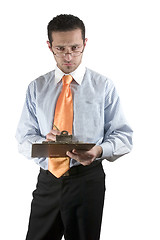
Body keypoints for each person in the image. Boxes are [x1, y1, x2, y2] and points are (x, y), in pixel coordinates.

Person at [16, 14, 133, 240]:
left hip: (87, 181)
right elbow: (23, 137)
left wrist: (98, 151)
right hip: (48, 180)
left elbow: (123, 135)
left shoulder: (103, 86)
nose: (68, 55)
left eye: (75, 47)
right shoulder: (36, 88)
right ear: (49, 46)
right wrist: (44, 144)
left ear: (85, 44)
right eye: (60, 48)